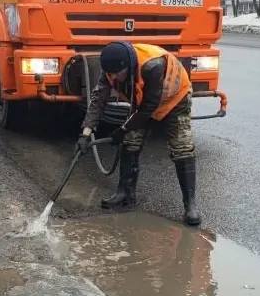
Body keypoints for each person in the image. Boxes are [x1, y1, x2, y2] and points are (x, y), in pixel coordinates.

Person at [78, 41, 201, 226]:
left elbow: (148, 109)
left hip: (175, 98)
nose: (113, 79)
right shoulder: (112, 68)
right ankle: (125, 194)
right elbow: (98, 101)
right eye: (109, 74)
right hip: (144, 101)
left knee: (181, 147)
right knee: (130, 141)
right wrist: (86, 133)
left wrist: (122, 129)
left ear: (128, 66)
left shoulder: (153, 66)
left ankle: (190, 205)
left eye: (116, 75)